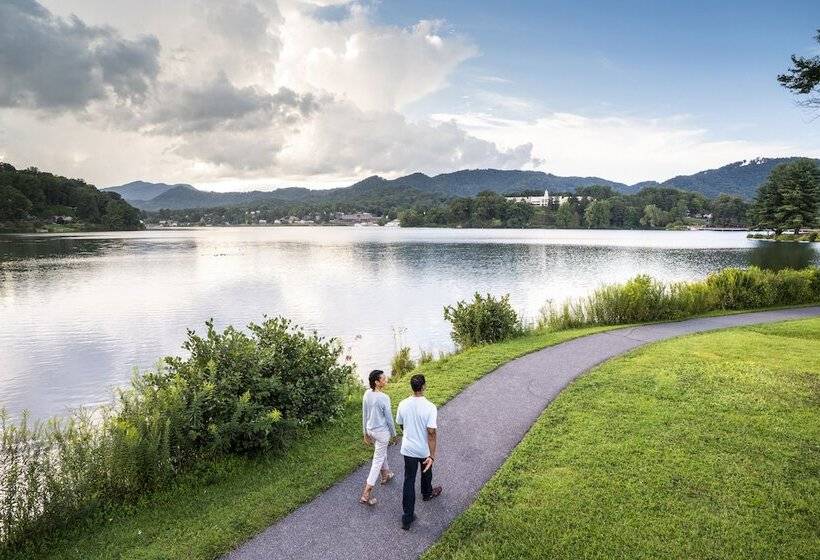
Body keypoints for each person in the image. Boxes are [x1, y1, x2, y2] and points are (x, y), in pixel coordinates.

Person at [395, 374, 442, 530]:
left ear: (411, 387)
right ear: (423, 387)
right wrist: (432, 456)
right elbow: (431, 433)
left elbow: (401, 424)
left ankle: (407, 519)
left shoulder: (402, 404)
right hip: (423, 449)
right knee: (427, 470)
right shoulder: (430, 407)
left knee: (409, 480)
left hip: (408, 448)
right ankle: (427, 493)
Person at [360, 369, 397, 506]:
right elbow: (389, 419)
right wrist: (394, 435)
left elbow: (364, 414)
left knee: (381, 453)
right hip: (381, 433)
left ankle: (386, 474)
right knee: (377, 460)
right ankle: (367, 492)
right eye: (383, 379)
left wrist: (365, 432)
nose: (385, 380)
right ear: (376, 382)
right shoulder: (384, 398)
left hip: (371, 431)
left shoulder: (366, 394)